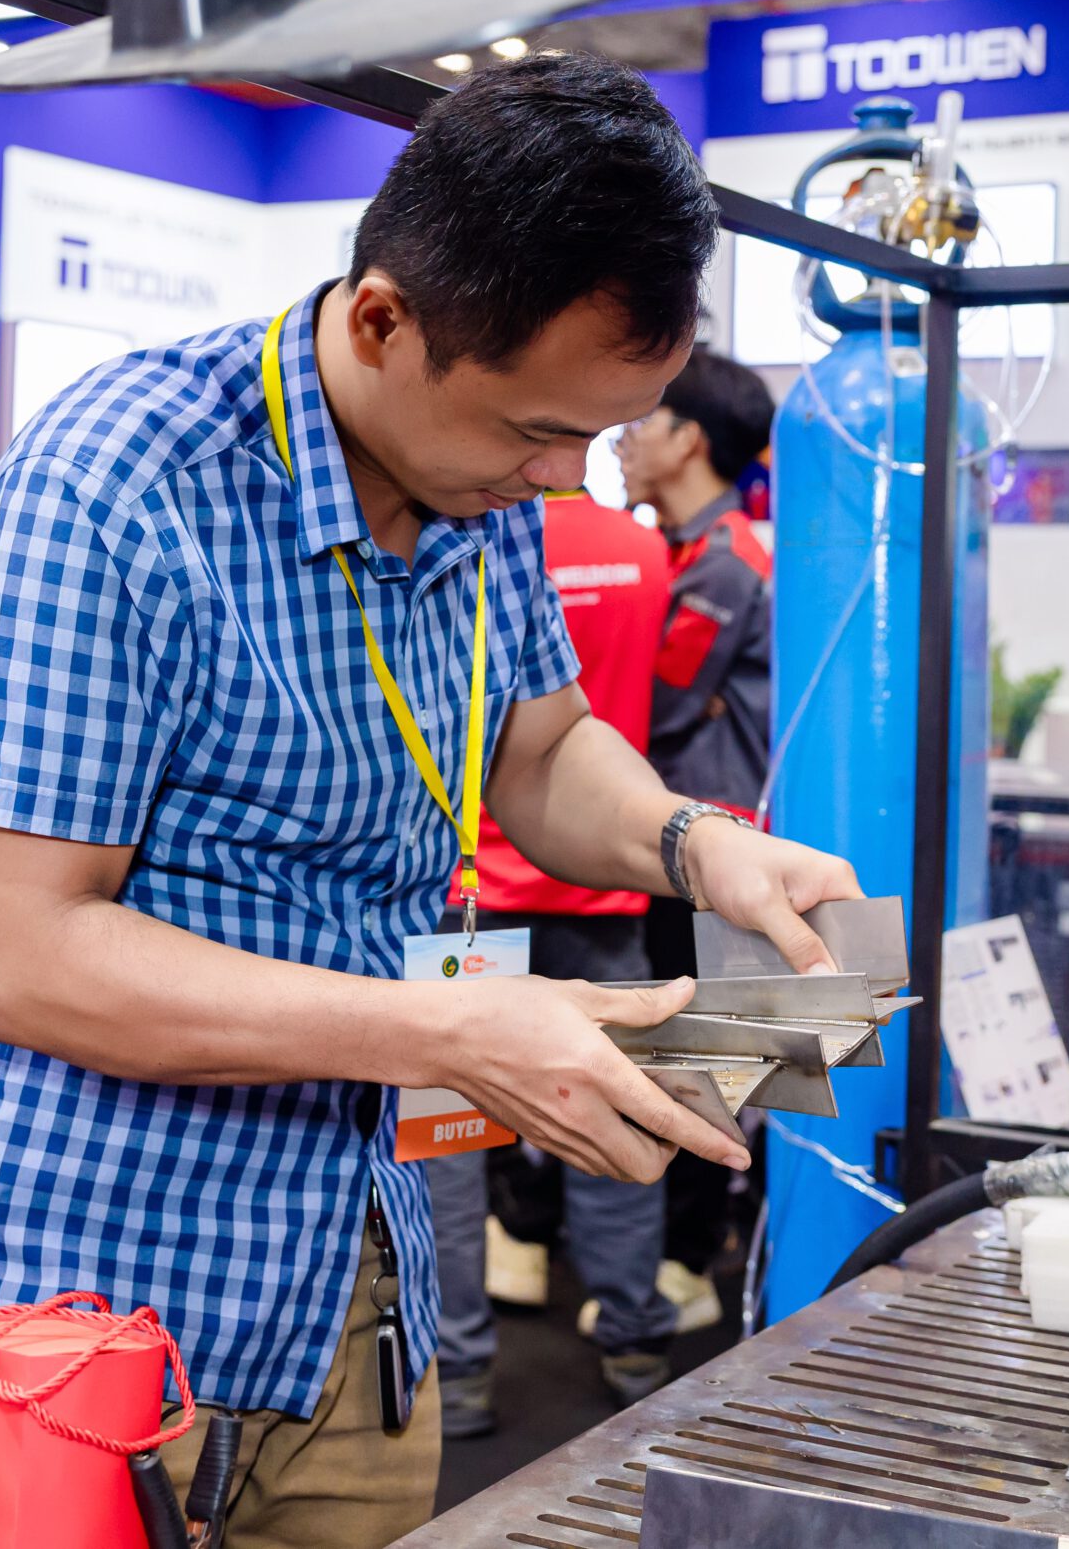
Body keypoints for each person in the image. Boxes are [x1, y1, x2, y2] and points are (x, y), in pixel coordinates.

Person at [0, 54, 863, 1549]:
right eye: (535, 431)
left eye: (597, 434)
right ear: (382, 321)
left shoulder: (484, 488)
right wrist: (453, 1031)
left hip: (358, 1289)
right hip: (94, 1315)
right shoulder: (115, 490)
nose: (565, 480)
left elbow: (540, 751)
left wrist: (697, 844)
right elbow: (25, 958)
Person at [427, 488, 678, 1438]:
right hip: (600, 884)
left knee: (448, 1138)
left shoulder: (468, 540)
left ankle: (457, 1368)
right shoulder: (644, 552)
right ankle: (635, 1337)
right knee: (618, 1106)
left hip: (472, 888)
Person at [616, 344, 778, 1312]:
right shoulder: (676, 553)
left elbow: (660, 707)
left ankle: (688, 1266)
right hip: (675, 843)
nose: (623, 440)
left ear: (688, 440)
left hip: (715, 857)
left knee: (706, 1056)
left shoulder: (724, 562)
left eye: (642, 421)